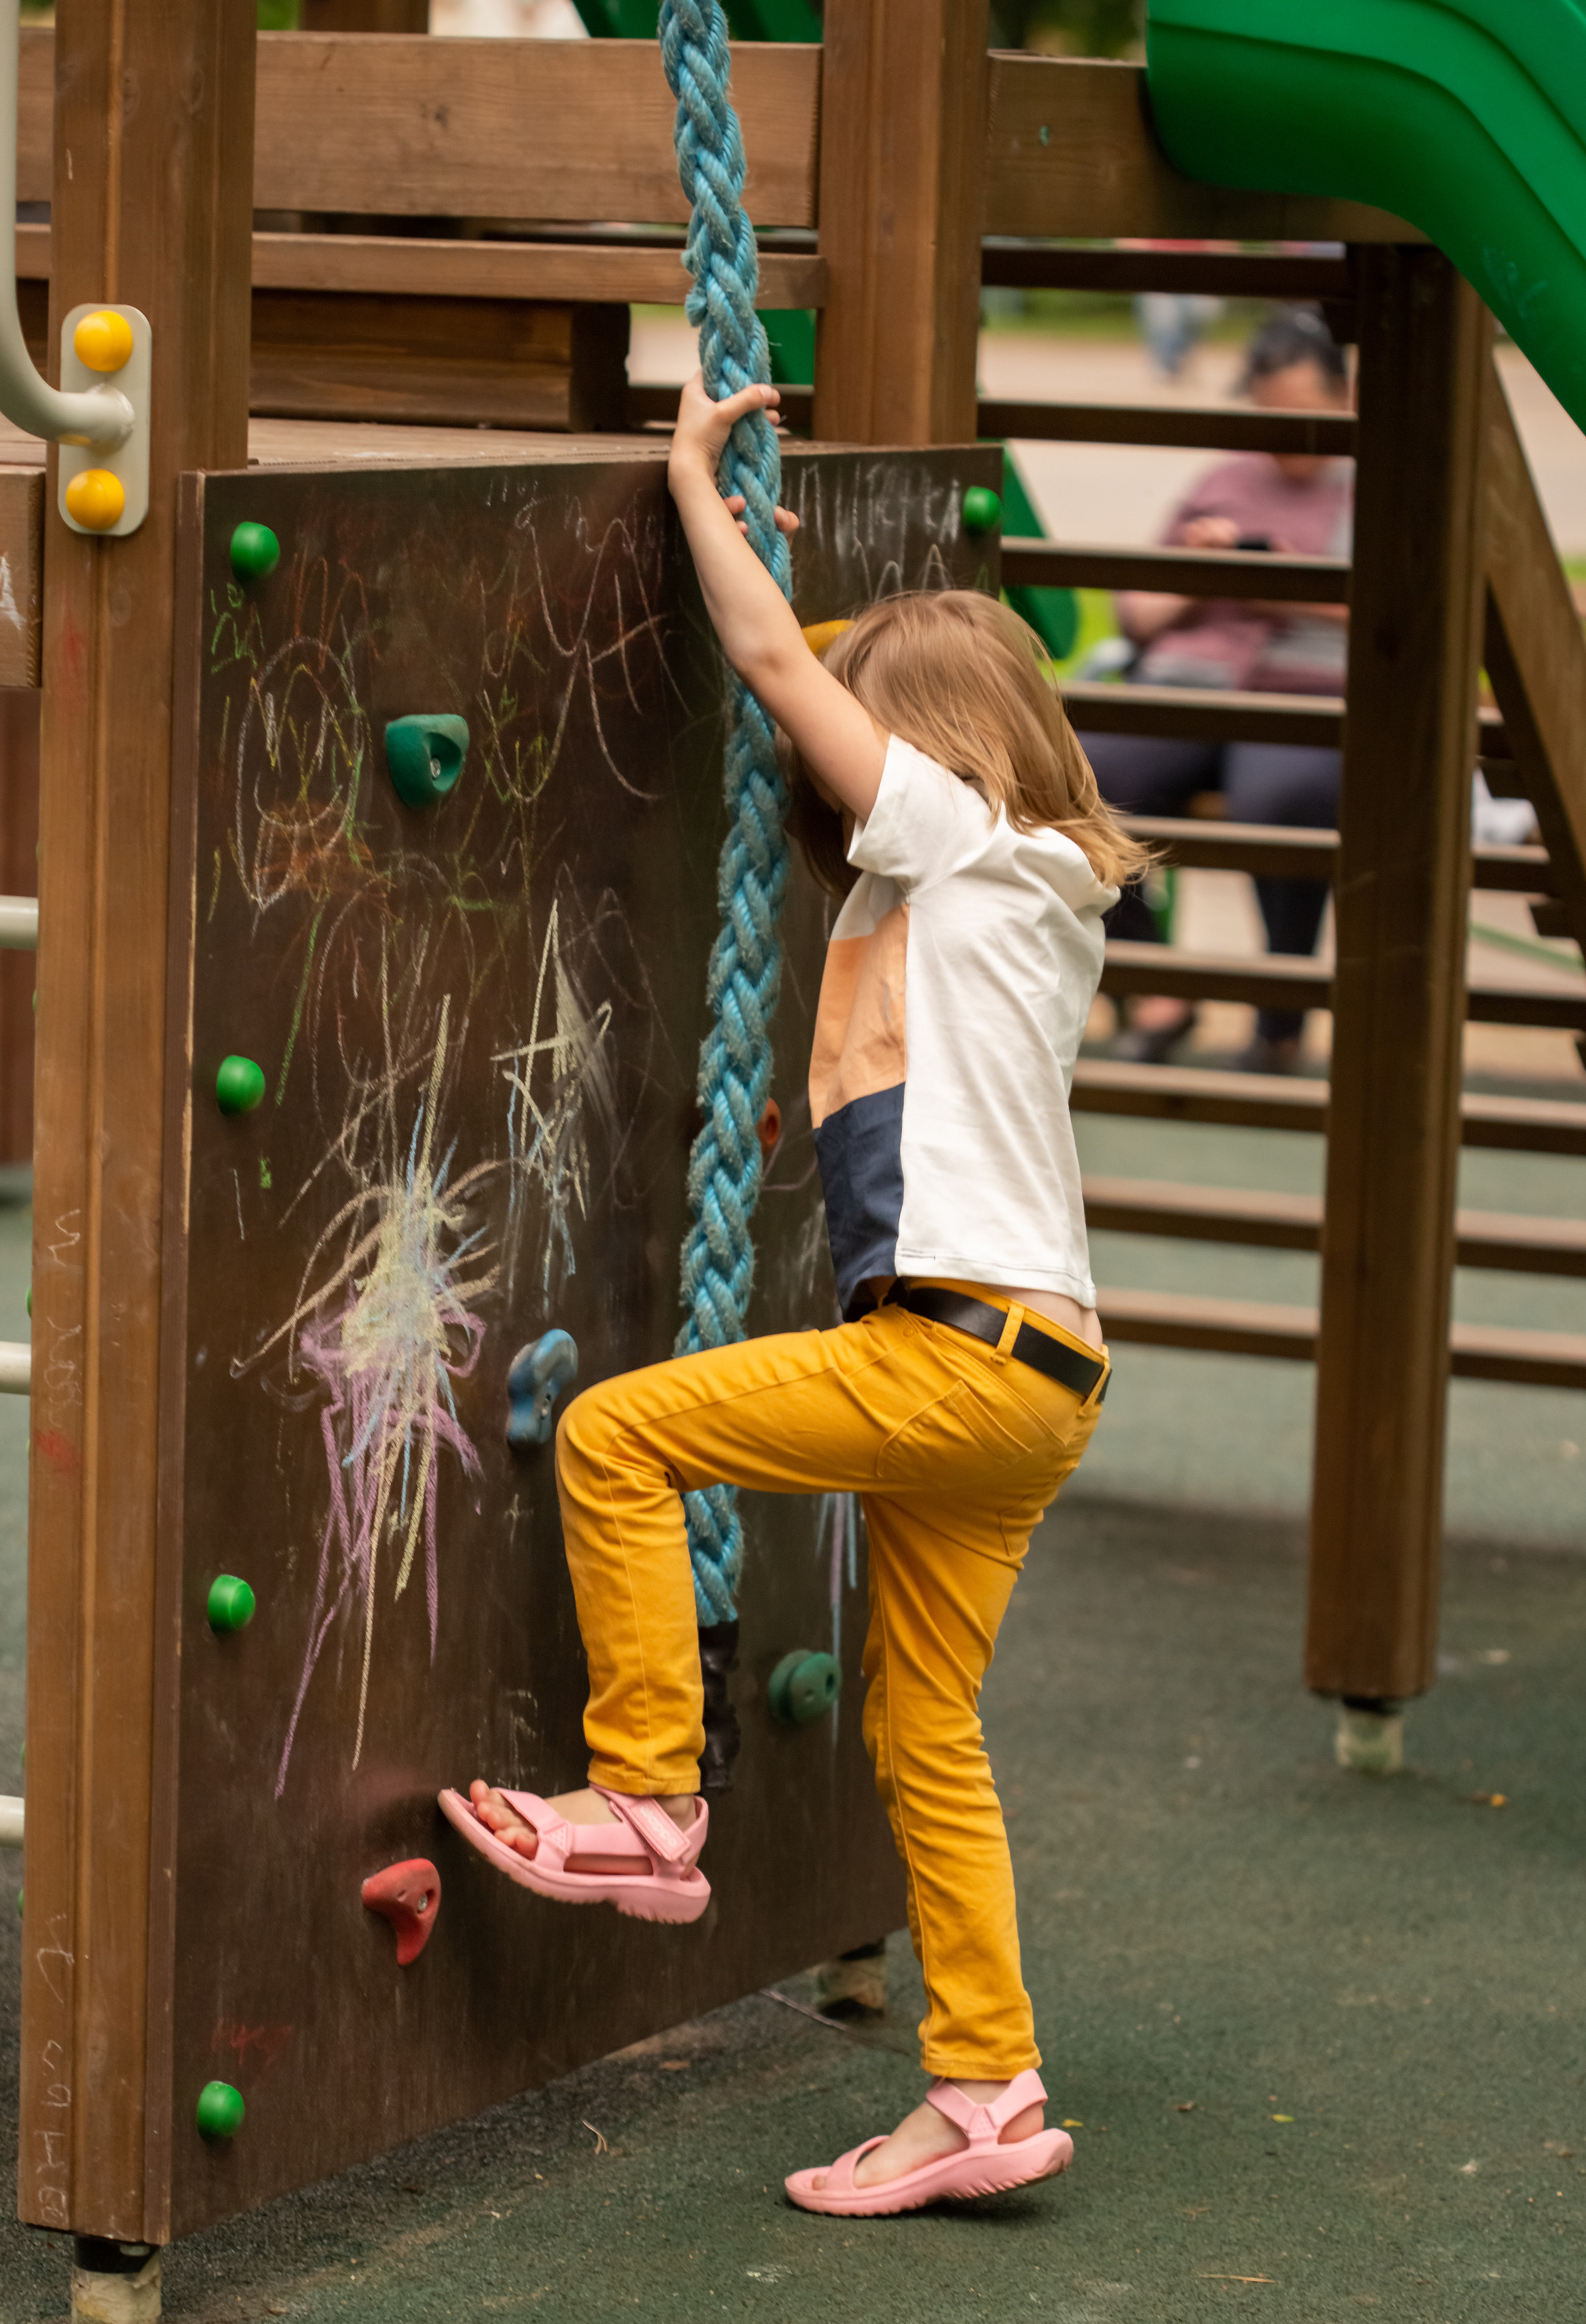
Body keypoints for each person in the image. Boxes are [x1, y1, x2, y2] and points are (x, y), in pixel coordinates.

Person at [438, 371, 1148, 2221]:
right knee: (928, 1727)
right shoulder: (1025, 894)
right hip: (1039, 1382)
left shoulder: (970, 855)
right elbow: (832, 694)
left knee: (615, 1435)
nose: (836, 788)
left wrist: (693, 487)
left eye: (870, 749)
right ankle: (984, 2090)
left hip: (954, 1357)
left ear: (934, 754)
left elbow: (778, 670)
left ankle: (644, 1802)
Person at [1081, 307, 1353, 1071]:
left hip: (1307, 686)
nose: (1283, 437)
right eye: (1268, 417)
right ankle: (1157, 987)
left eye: (1301, 417)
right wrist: (1200, 577)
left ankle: (1280, 1018)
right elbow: (1138, 617)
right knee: (1081, 777)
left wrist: (1288, 584)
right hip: (1193, 678)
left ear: (1343, 397)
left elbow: (1399, 616)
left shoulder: (1372, 482)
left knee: (1282, 799)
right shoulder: (1224, 480)